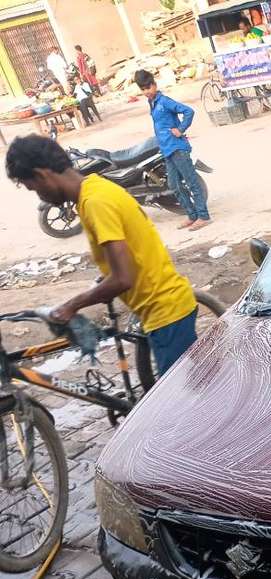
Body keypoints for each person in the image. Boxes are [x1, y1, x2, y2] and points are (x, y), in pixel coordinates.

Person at [5, 135, 199, 374]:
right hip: (167, 309)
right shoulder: (96, 188)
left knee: (182, 403)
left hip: (167, 313)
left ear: (43, 175)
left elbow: (122, 279)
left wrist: (70, 307)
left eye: (33, 188)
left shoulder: (95, 202)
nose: (40, 196)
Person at [134, 69, 211, 231]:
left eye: (148, 87)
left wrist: (181, 129)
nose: (146, 92)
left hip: (178, 148)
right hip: (167, 150)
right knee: (174, 185)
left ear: (154, 85)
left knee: (191, 182)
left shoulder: (164, 101)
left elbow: (188, 111)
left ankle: (203, 216)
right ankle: (191, 215)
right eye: (143, 89)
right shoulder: (153, 102)